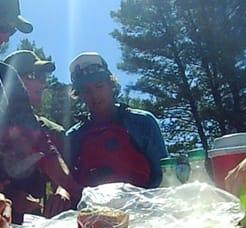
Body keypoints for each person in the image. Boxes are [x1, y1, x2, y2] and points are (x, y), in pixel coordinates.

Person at [0, 0, 80, 223]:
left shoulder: (6, 75)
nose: (6, 38)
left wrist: (76, 193)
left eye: (12, 31)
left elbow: (40, 143)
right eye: (3, 27)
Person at [65, 52, 168, 189]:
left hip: (143, 206)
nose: (94, 95)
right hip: (92, 209)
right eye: (86, 90)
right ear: (80, 95)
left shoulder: (143, 122)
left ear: (111, 85)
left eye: (99, 86)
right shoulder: (73, 136)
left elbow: (164, 174)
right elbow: (69, 182)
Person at [3, 50, 71, 217]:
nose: (43, 83)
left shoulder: (53, 131)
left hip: (37, 226)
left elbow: (63, 182)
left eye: (44, 77)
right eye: (34, 75)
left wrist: (63, 192)